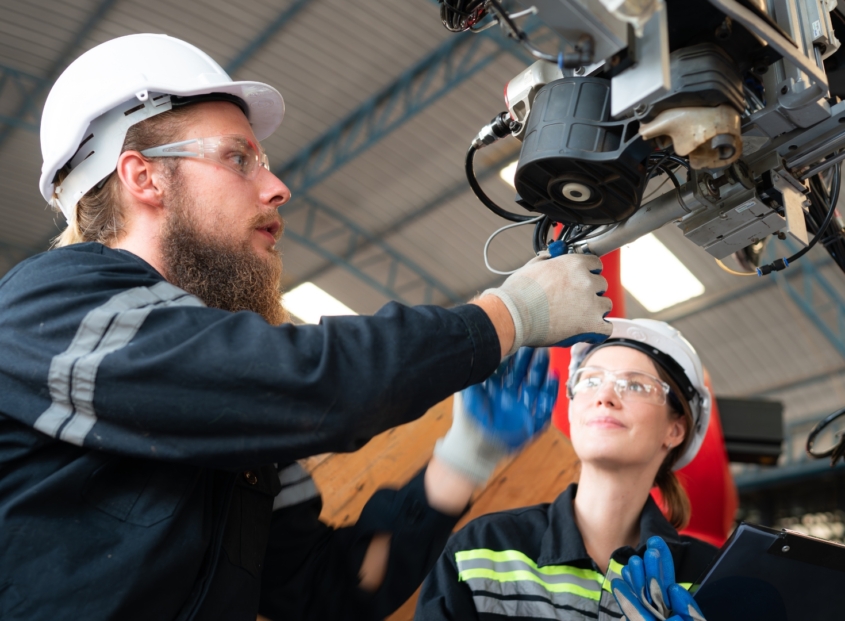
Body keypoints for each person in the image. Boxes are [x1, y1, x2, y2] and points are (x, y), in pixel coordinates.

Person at [0, 34, 612, 621]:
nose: (277, 186)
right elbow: (306, 381)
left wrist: (461, 466)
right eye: (239, 158)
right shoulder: (47, 305)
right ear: (144, 177)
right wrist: (510, 315)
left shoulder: (229, 419)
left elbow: (329, 591)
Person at [416, 318, 720, 620]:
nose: (605, 397)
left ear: (676, 429)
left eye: (636, 385)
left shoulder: (713, 578)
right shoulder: (481, 551)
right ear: (573, 410)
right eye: (590, 381)